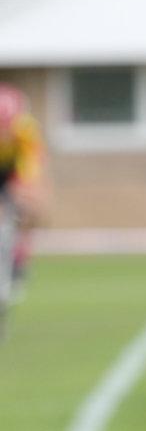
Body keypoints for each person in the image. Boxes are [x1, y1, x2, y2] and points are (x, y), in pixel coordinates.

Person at [0, 83, 48, 298]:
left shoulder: (26, 131)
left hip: (13, 166)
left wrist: (24, 196)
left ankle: (19, 257)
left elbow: (30, 170)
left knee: (29, 205)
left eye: (6, 128)